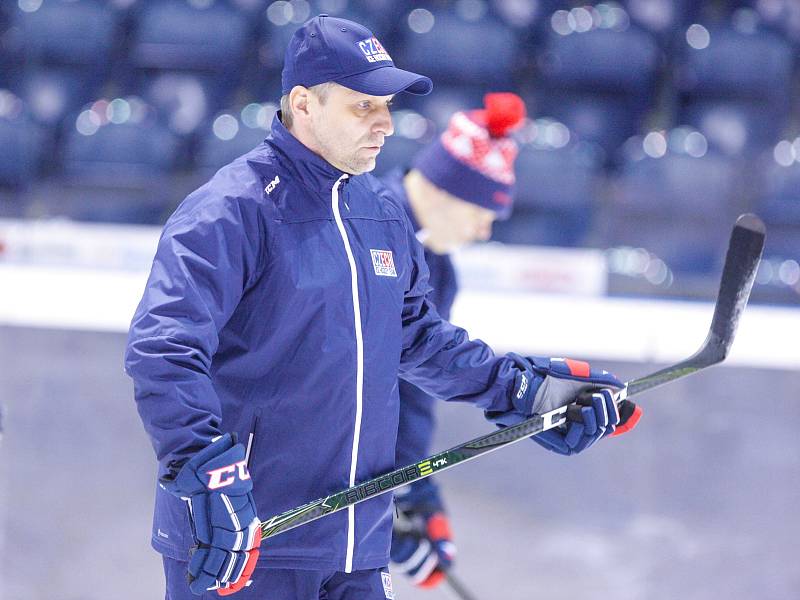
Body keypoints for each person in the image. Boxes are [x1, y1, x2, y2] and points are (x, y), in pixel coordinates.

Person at [124, 14, 641, 600]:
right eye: (363, 106)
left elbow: (417, 340)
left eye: (387, 105)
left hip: (354, 551)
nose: (386, 124)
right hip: (245, 546)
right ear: (304, 104)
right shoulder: (229, 211)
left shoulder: (380, 215)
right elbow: (163, 350)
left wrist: (518, 390)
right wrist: (204, 470)